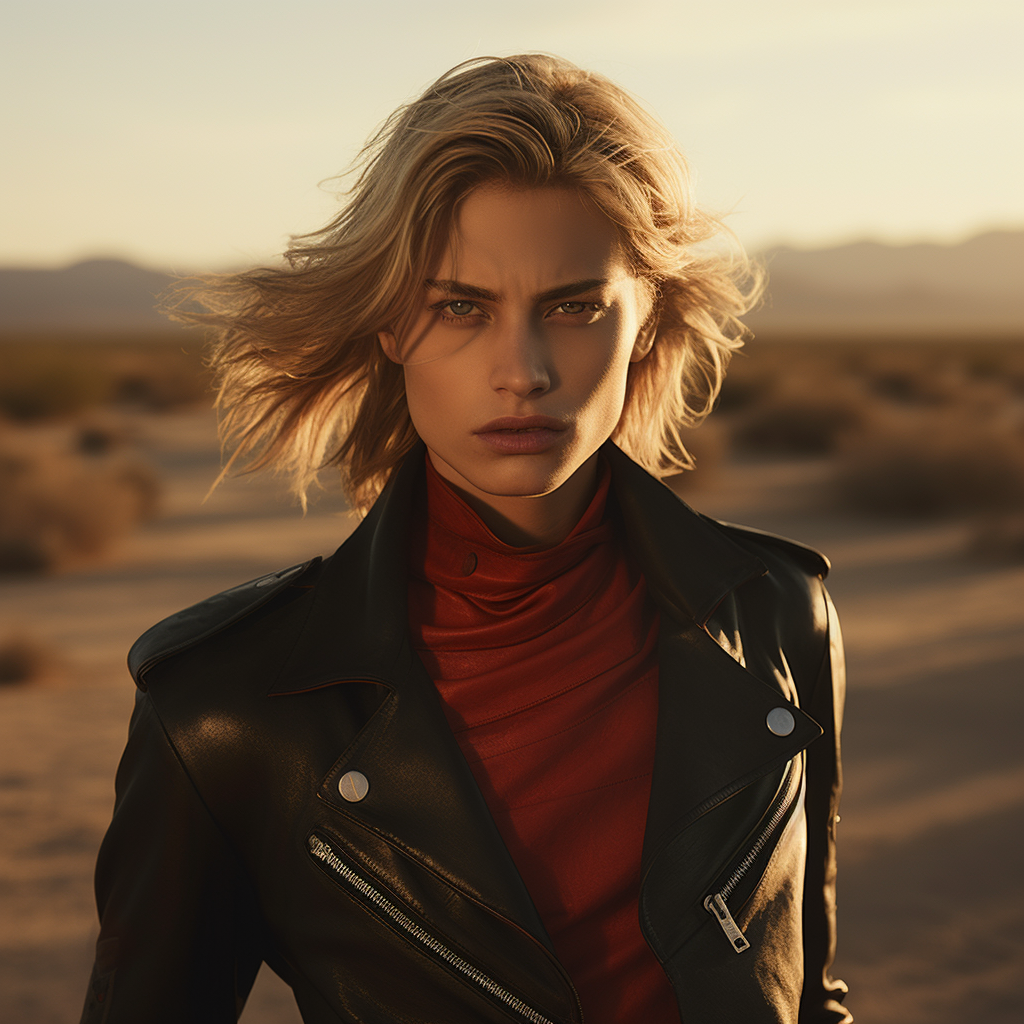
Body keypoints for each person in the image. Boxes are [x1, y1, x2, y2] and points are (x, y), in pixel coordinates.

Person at [80, 54, 852, 1024]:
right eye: (461, 306)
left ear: (647, 316)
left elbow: (804, 987)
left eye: (573, 305)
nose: (521, 370)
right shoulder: (226, 705)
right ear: (392, 323)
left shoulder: (777, 613)